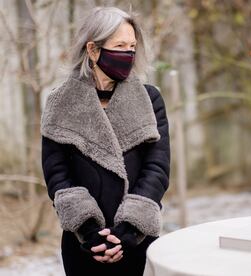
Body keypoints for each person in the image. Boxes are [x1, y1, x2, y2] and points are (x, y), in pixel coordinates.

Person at [40, 6, 170, 276]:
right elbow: (57, 175)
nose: (129, 54)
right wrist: (89, 231)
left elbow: (157, 168)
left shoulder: (149, 99)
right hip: (83, 243)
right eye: (120, 45)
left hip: (137, 241)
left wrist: (129, 230)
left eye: (132, 46)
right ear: (93, 49)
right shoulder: (60, 102)